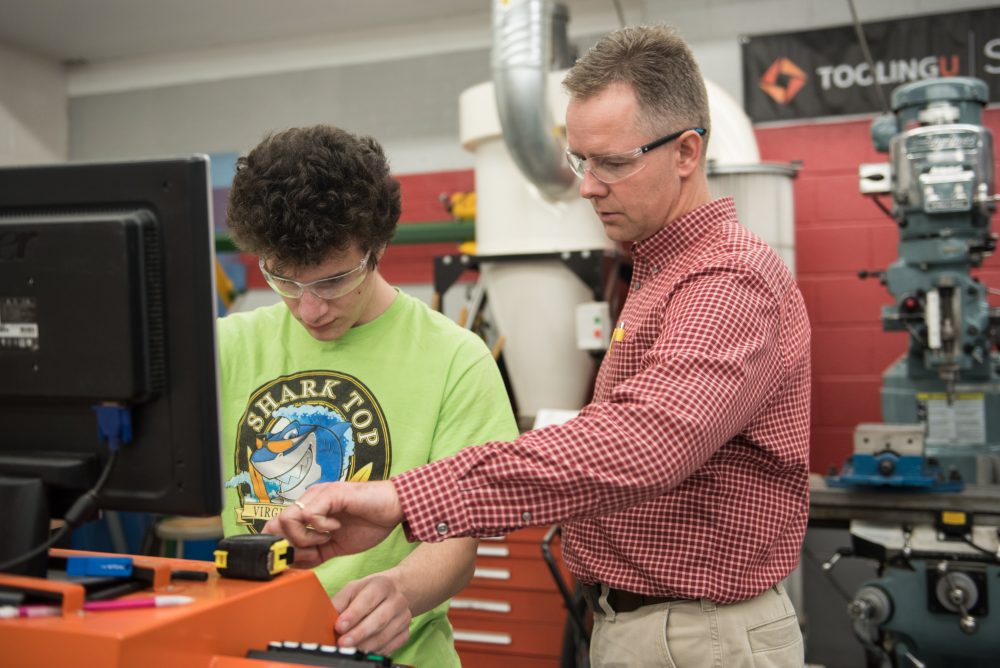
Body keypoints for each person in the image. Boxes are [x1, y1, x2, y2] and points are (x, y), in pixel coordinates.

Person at [264, 25, 811, 667]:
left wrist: (403, 498)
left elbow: (647, 444)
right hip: (654, 627)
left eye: (612, 162)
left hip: (696, 637)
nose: (586, 186)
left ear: (687, 151)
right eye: (580, 160)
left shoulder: (728, 279)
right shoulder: (660, 271)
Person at [217, 125, 519, 667]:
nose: (310, 309)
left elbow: (460, 539)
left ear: (378, 246)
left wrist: (403, 588)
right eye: (284, 280)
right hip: (249, 651)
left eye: (332, 282)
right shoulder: (225, 348)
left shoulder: (455, 358)